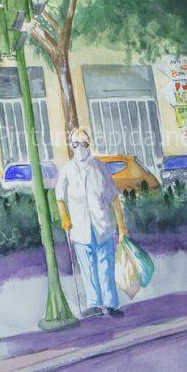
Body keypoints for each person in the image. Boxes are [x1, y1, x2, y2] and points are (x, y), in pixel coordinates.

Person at [56, 127, 127, 318]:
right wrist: (64, 217)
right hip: (79, 227)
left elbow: (114, 197)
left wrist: (121, 226)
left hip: (102, 224)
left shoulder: (100, 167)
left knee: (106, 265)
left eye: (84, 143)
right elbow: (59, 196)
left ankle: (111, 304)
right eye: (76, 144)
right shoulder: (67, 170)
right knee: (87, 267)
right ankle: (94, 304)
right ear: (71, 146)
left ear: (89, 144)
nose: (80, 148)